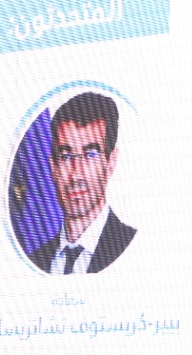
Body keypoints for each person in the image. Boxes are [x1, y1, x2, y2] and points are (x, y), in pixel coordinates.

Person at [28, 91, 136, 275]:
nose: (76, 174)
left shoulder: (134, 248)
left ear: (110, 163)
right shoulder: (35, 259)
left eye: (90, 154)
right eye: (65, 156)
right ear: (53, 167)